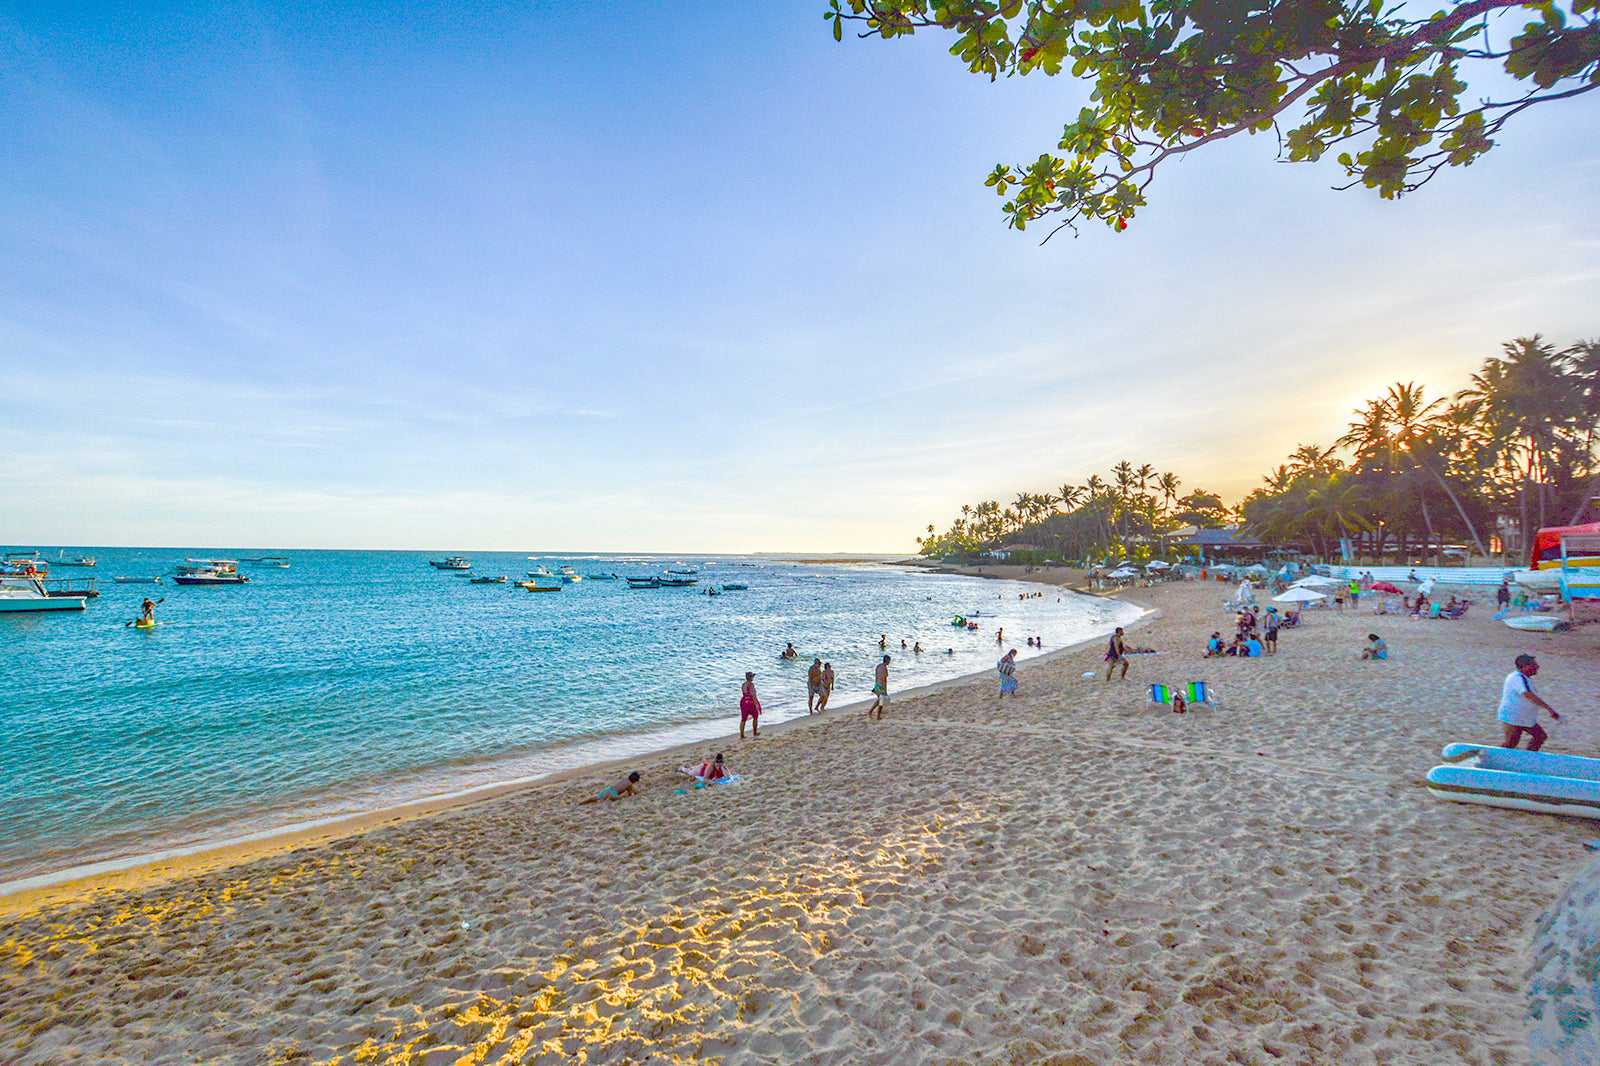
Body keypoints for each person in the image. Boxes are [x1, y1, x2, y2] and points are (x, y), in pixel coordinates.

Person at [1499, 653, 1560, 750]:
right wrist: (1549, 709)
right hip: (1513, 717)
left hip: (1524, 718)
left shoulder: (1525, 679)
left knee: (1540, 737)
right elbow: (1528, 695)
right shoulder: (1517, 678)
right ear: (1524, 667)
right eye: (1534, 665)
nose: (1537, 666)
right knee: (1510, 744)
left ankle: (1528, 757)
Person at [739, 672, 762, 738]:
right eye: (752, 676)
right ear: (751, 677)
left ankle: (742, 735)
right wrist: (757, 704)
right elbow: (753, 695)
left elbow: (745, 693)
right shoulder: (751, 685)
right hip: (750, 702)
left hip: (743, 702)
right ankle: (755, 732)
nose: (753, 678)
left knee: (743, 719)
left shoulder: (743, 684)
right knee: (755, 716)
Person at [868, 654, 890, 719]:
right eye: (889, 661)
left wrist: (875, 686)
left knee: (879, 700)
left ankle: (870, 711)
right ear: (887, 660)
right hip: (881, 686)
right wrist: (885, 689)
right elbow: (884, 680)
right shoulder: (885, 668)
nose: (889, 662)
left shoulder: (878, 666)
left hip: (877, 684)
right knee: (881, 701)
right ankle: (878, 716)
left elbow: (876, 676)